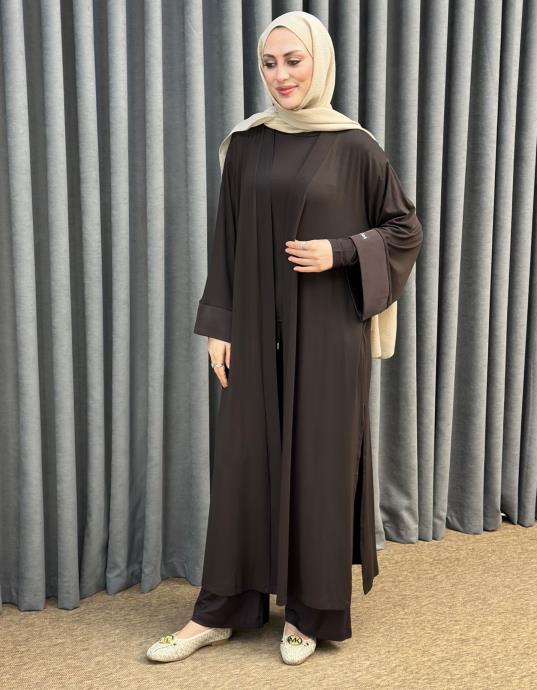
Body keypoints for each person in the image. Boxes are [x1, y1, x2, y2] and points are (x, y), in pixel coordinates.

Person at [147, 10, 423, 666]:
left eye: (293, 61)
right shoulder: (247, 143)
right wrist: (219, 325)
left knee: (320, 465)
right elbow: (228, 238)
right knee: (244, 464)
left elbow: (403, 229)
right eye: (269, 64)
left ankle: (309, 611)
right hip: (253, 327)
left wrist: (341, 251)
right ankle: (220, 609)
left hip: (328, 335)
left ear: (318, 62)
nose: (280, 76)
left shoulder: (355, 146)